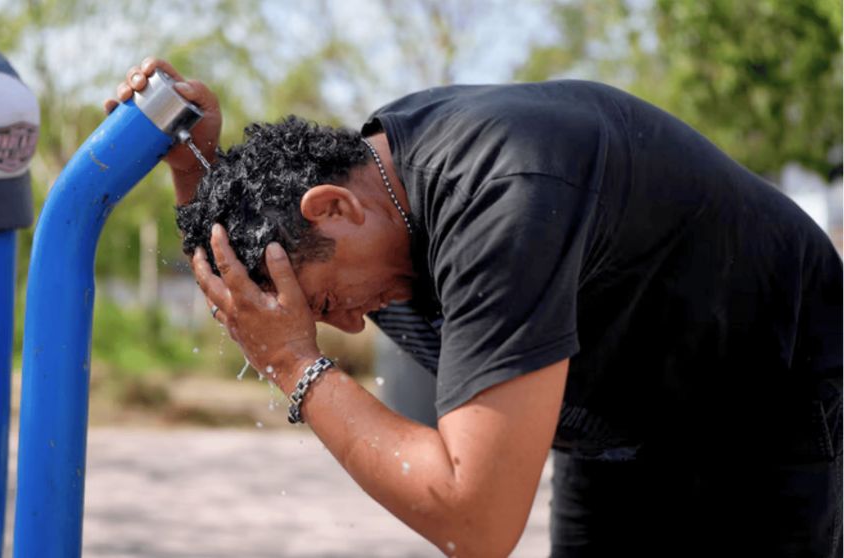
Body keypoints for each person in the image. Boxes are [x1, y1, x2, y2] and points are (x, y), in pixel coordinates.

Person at [107, 58, 842, 557]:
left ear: (333, 208)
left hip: (762, 397)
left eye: (327, 302)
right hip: (621, 406)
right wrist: (195, 166)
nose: (353, 325)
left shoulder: (498, 200)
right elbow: (256, 293)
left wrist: (296, 365)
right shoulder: (366, 201)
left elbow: (475, 521)